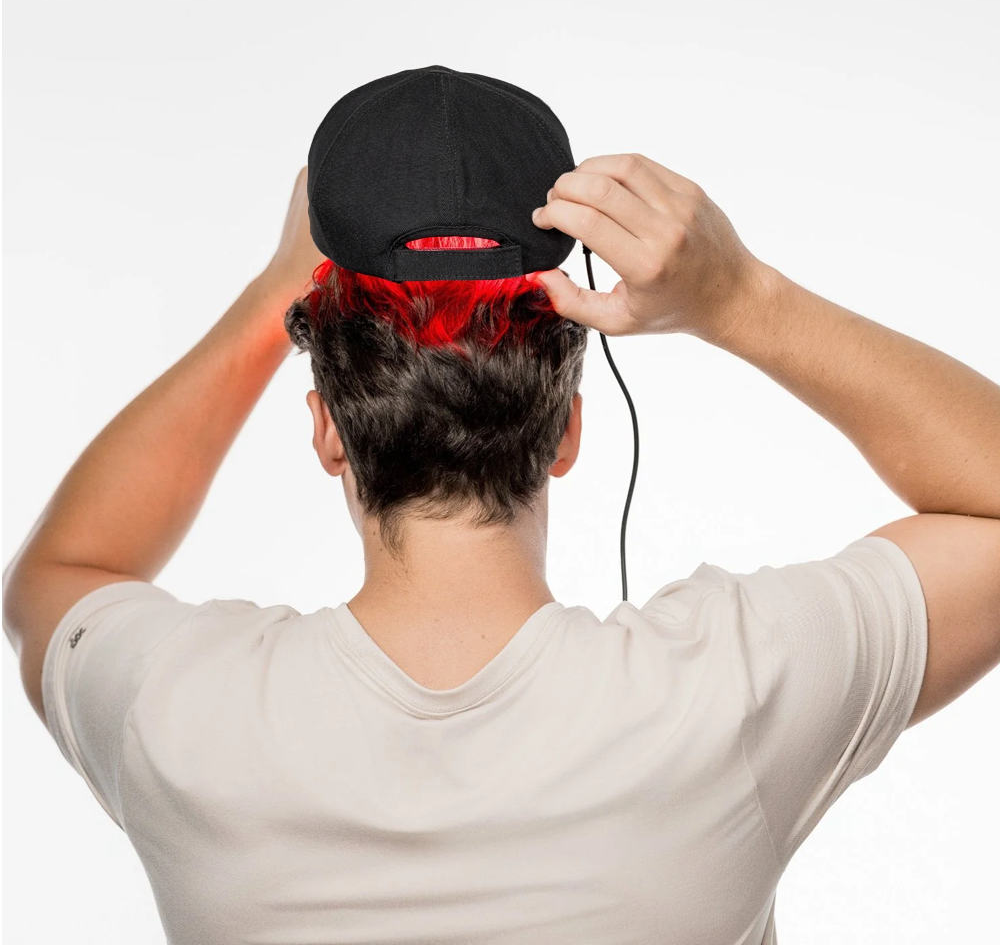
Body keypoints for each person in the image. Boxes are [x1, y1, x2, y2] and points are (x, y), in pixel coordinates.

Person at [3, 151, 998, 944]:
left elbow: (61, 572)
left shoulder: (185, 713)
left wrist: (277, 292)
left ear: (326, 433)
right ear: (566, 429)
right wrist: (740, 297)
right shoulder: (728, 691)